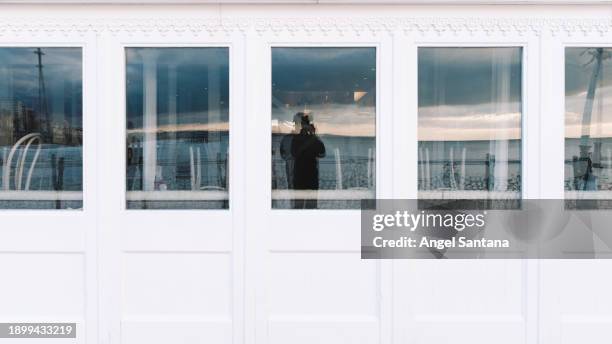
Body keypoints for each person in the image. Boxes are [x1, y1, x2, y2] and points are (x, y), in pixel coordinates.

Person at [290, 112, 326, 209]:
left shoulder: (296, 139)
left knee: (298, 205)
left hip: (299, 175)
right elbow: (322, 153)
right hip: (311, 176)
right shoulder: (314, 140)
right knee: (311, 206)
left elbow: (293, 153)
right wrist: (314, 135)